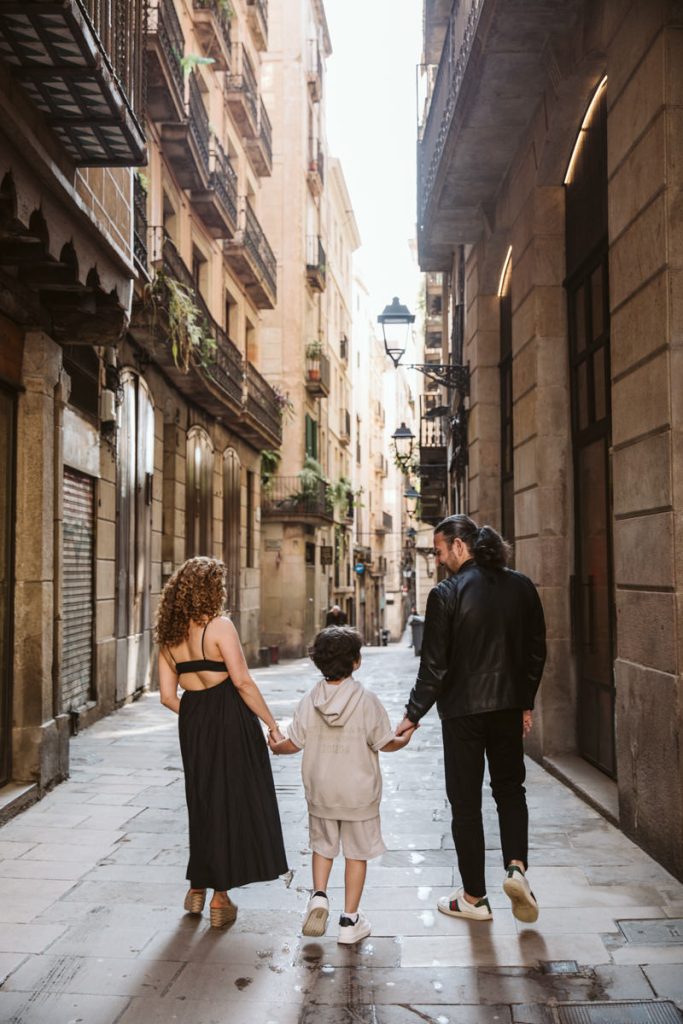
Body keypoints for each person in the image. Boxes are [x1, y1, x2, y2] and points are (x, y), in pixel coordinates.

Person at [396, 515, 546, 924]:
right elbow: (536, 651)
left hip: (463, 713)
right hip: (508, 708)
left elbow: (435, 666)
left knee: (465, 804)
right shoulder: (521, 586)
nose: (440, 558)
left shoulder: (447, 593)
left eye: (441, 549)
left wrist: (412, 715)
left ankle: (474, 897)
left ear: (460, 546)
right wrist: (525, 702)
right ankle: (516, 868)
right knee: (510, 790)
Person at [155, 557, 289, 928]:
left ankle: (196, 889)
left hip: (193, 719)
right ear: (211, 590)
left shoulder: (167, 637)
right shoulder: (219, 626)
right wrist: (272, 724)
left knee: (201, 801)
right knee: (229, 803)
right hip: (230, 718)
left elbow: (167, 697)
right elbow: (242, 682)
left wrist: (199, 717)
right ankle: (220, 899)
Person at [269, 626, 416, 944]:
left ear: (318, 663)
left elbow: (293, 742)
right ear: (356, 662)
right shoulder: (367, 701)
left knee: (322, 847)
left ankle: (319, 896)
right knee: (356, 854)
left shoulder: (310, 701)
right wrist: (406, 735)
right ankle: (349, 920)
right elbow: (384, 743)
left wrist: (275, 745)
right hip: (358, 794)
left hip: (321, 792)